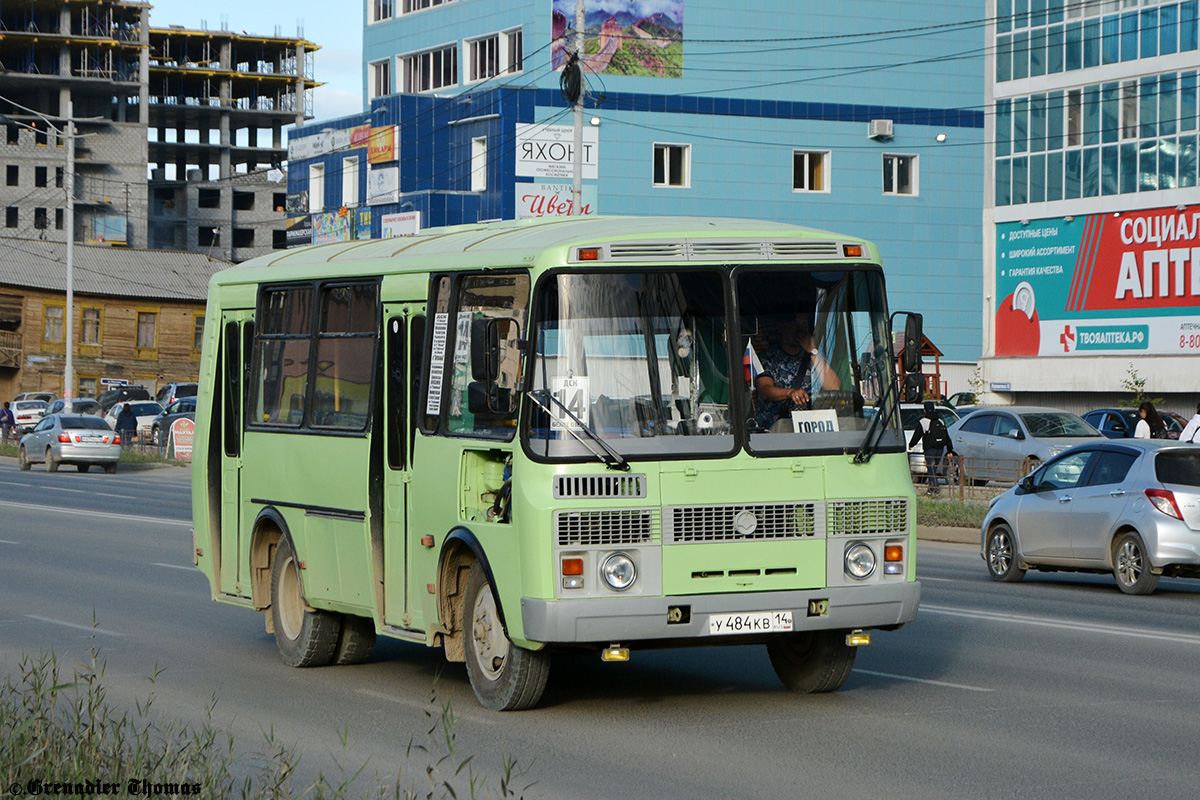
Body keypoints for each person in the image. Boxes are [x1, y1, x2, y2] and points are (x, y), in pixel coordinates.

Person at [751, 314, 841, 432]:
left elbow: (834, 387)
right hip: (774, 432)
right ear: (781, 327)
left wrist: (812, 351)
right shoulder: (768, 357)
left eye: (803, 325)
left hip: (810, 428)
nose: (800, 329)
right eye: (794, 324)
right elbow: (765, 390)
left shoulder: (814, 358)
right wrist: (790, 393)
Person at [909, 401, 955, 495]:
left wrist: (911, 445)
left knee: (931, 468)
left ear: (924, 410)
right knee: (933, 469)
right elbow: (946, 436)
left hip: (930, 449)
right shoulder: (940, 420)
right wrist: (950, 450)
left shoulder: (923, 421)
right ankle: (931, 489)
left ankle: (935, 488)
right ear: (934, 409)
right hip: (940, 448)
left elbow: (917, 435)